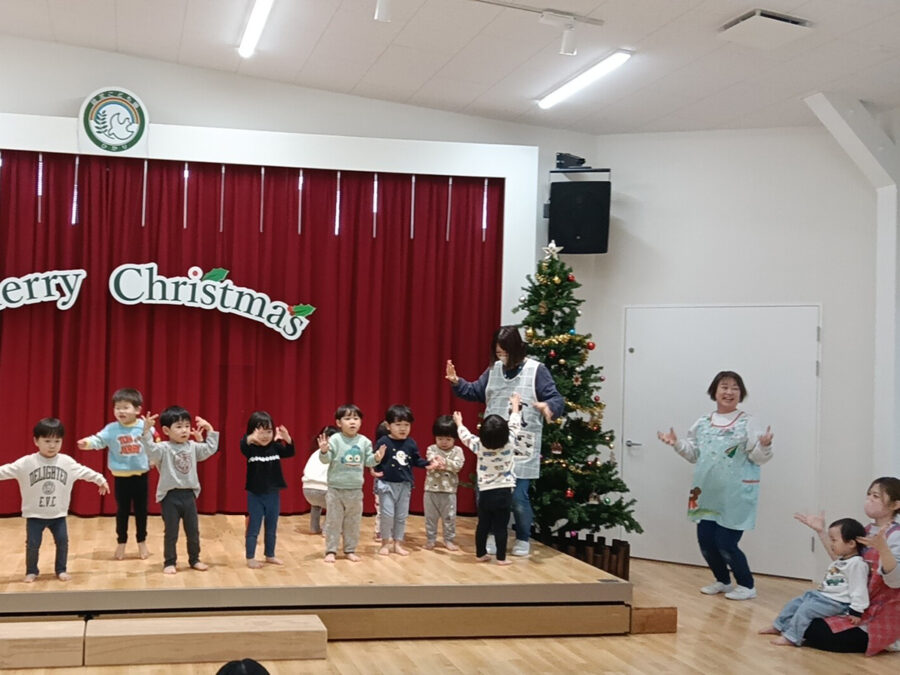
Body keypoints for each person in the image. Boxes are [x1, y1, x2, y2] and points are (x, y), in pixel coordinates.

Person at [446, 325, 564, 557]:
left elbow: (555, 398)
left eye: (506, 353)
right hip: (492, 444)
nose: (502, 358)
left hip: (520, 444)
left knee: (518, 497)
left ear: (517, 349)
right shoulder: (493, 370)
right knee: (488, 494)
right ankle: (492, 534)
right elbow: (475, 391)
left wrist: (548, 406)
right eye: (498, 353)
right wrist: (456, 381)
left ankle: (523, 537)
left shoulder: (536, 370)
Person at [657, 370, 773, 600]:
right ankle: (723, 580)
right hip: (707, 493)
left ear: (741, 393)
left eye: (735, 388)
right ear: (715, 391)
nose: (729, 392)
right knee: (707, 542)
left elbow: (759, 458)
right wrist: (676, 444)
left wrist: (765, 445)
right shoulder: (702, 422)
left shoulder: (748, 422)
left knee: (726, 543)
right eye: (724, 387)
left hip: (735, 494)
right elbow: (693, 454)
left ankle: (747, 585)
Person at [799, 476, 900, 655]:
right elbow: (844, 562)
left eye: (876, 496)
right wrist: (821, 532)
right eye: (869, 494)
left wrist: (883, 548)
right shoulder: (866, 530)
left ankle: (891, 640)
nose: (869, 499)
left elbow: (895, 581)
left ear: (895, 505)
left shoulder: (896, 535)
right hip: (857, 606)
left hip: (881, 611)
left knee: (816, 631)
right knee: (803, 617)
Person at [0, 418, 109, 582]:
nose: (52, 445)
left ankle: (61, 569)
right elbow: (6, 470)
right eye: (47, 441)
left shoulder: (67, 462)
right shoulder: (26, 462)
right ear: (36, 441)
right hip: (35, 515)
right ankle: (31, 571)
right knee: (33, 545)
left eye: (57, 441)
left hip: (58, 515)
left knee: (63, 542)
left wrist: (100, 479)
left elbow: (85, 472)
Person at [760, 518, 869, 646]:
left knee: (806, 610)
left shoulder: (857, 564)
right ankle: (778, 626)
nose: (831, 544)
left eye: (834, 540)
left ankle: (792, 637)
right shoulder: (841, 561)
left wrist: (856, 611)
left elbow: (859, 589)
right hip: (821, 596)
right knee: (794, 603)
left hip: (836, 603)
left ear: (851, 543)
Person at [454, 392, 533, 565]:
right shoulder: (510, 441)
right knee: (500, 527)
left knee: (483, 525)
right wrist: (515, 404)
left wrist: (459, 423)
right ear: (505, 433)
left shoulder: (479, 445)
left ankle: (480, 554)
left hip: (485, 493)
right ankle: (501, 559)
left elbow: (465, 437)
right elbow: (515, 422)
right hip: (504, 492)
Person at [140, 406, 219, 574]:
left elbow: (209, 449)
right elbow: (150, 450)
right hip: (170, 497)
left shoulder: (193, 446)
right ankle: (170, 562)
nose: (184, 430)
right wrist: (146, 432)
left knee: (193, 531)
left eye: (187, 426)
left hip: (189, 495)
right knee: (171, 532)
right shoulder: (163, 448)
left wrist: (210, 429)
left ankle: (195, 559)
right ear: (166, 430)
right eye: (179, 426)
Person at [77, 387, 152, 561]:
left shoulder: (144, 426)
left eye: (125, 407)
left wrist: (155, 457)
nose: (121, 411)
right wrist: (87, 443)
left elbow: (155, 443)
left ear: (137, 410)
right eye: (117, 408)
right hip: (121, 477)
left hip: (141, 476)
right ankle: (121, 542)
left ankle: (142, 541)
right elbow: (99, 439)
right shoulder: (111, 429)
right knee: (122, 511)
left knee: (141, 511)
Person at [316, 404, 385, 563]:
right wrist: (324, 451)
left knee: (353, 522)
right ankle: (331, 550)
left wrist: (376, 458)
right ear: (339, 423)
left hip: (355, 490)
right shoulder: (335, 439)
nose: (352, 422)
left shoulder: (364, 441)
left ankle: (350, 550)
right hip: (335, 489)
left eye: (356, 418)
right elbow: (325, 460)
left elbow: (368, 462)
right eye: (347, 418)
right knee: (333, 521)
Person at [373, 405, 442, 556]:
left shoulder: (410, 443)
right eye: (398, 424)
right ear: (388, 426)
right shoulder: (383, 442)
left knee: (401, 516)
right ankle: (385, 543)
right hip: (386, 484)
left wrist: (429, 463)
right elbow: (374, 461)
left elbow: (416, 460)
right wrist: (375, 464)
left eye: (406, 425)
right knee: (387, 515)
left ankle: (398, 543)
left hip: (404, 485)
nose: (403, 428)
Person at [241, 411, 294, 569]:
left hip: (273, 494)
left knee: (272, 527)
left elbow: (290, 452)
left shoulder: (275, 447)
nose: (265, 436)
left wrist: (287, 438)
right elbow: (243, 445)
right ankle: (250, 557)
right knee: (254, 527)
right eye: (261, 432)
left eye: (269, 432)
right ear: (252, 432)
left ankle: (270, 554)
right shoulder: (250, 448)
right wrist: (251, 438)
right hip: (255, 495)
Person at [423, 414, 465, 551]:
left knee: (449, 517)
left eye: (448, 439)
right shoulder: (431, 449)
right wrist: (436, 461)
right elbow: (430, 459)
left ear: (454, 438)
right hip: (431, 490)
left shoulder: (458, 451)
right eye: (440, 438)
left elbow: (458, 466)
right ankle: (430, 539)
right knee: (430, 517)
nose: (444, 442)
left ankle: (449, 539)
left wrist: (444, 462)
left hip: (449, 491)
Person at [300, 425, 336, 535]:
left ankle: (314, 527)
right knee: (335, 505)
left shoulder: (315, 453)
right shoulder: (333, 454)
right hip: (323, 490)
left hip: (307, 491)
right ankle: (327, 530)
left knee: (316, 505)